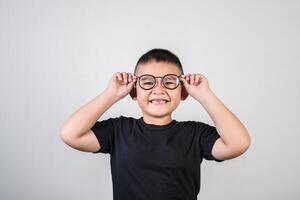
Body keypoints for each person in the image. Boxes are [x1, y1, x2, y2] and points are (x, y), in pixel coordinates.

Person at [59, 48, 251, 200]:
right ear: (134, 92)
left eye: (169, 82)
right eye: (147, 82)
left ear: (183, 92)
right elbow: (70, 134)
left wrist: (205, 95)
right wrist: (111, 95)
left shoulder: (195, 133)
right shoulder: (119, 130)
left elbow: (238, 143)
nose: (158, 89)